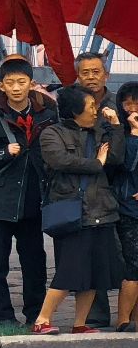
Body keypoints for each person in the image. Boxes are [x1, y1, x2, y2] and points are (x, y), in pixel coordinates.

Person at [31, 85, 126, 334]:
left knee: (95, 273)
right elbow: (60, 161)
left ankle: (80, 323)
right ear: (75, 110)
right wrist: (96, 164)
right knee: (69, 271)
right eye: (91, 106)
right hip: (72, 211)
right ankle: (42, 320)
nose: (96, 110)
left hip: (101, 209)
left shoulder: (99, 131)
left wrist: (116, 127)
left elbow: (116, 158)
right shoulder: (52, 133)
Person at [0, 57, 57, 325]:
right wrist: (2, 153)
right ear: (1, 86)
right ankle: (2, 316)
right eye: (10, 83)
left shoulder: (47, 117)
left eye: (22, 82)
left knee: (34, 261)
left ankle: (35, 313)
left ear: (32, 84)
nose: (16, 88)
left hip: (33, 200)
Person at [74, 52, 119, 326]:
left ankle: (128, 313)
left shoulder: (120, 102)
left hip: (119, 183)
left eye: (96, 71)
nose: (91, 77)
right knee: (91, 251)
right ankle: (97, 311)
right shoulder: (69, 102)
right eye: (85, 72)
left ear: (106, 75)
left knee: (125, 251)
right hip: (86, 184)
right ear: (78, 76)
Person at [113, 83, 138, 332]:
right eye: (127, 103)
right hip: (128, 206)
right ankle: (123, 319)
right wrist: (134, 134)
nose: (131, 108)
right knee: (133, 264)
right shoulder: (119, 130)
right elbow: (127, 164)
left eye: (136, 102)